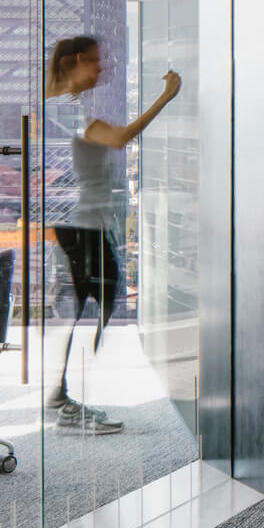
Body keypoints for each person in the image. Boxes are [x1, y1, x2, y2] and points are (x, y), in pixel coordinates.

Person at [44, 36, 181, 434]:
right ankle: (61, 401)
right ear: (73, 61)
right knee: (90, 309)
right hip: (79, 225)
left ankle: (60, 395)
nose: (101, 70)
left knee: (91, 305)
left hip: (83, 223)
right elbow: (119, 138)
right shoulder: (64, 110)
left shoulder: (62, 107)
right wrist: (165, 97)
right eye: (95, 62)